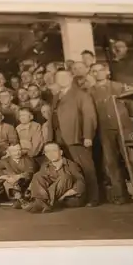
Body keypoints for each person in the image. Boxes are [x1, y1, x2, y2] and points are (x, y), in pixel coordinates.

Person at [89, 63, 133, 203]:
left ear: (107, 71)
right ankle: (120, 195)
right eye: (94, 71)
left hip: (124, 127)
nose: (98, 73)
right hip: (105, 130)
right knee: (111, 162)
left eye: (100, 70)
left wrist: (129, 119)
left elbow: (132, 104)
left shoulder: (118, 87)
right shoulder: (90, 92)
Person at [51, 70, 99, 206]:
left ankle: (93, 198)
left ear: (71, 78)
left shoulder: (81, 95)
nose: (62, 79)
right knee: (71, 170)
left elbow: (89, 116)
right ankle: (78, 198)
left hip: (77, 137)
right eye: (58, 77)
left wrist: (88, 136)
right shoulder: (56, 96)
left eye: (65, 76)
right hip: (60, 139)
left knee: (86, 168)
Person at [23, 142, 86, 213]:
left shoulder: (71, 165)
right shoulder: (45, 166)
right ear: (46, 154)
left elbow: (81, 184)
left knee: (66, 176)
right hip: (51, 196)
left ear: (61, 152)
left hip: (67, 196)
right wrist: (30, 189)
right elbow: (40, 182)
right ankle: (42, 202)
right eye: (48, 152)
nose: (51, 154)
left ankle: (42, 203)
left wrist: (63, 196)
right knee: (38, 175)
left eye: (54, 151)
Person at [0, 144, 35, 208]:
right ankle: (19, 198)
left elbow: (30, 172)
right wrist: (4, 177)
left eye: (19, 150)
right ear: (9, 152)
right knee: (7, 180)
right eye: (14, 151)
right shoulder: (5, 161)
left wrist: (17, 177)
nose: (17, 153)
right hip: (14, 185)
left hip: (27, 183)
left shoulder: (28, 159)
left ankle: (25, 198)